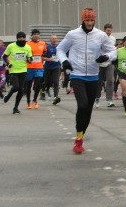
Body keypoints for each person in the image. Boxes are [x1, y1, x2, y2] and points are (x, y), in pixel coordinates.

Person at [56, 8, 117, 154]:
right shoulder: (73, 34)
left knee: (88, 109)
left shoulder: (101, 35)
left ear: (94, 20)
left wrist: (106, 57)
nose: (89, 23)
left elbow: (113, 51)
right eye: (87, 20)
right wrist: (64, 61)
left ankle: (80, 137)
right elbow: (60, 49)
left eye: (91, 20)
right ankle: (78, 136)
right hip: (77, 74)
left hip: (94, 76)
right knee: (82, 105)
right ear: (82, 20)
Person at [2, 32, 32, 114]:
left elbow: (30, 58)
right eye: (20, 38)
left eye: (23, 38)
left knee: (21, 90)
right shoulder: (11, 46)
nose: (22, 39)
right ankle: (8, 96)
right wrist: (8, 63)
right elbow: (4, 56)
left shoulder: (28, 47)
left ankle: (15, 107)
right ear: (17, 38)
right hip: (14, 70)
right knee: (16, 87)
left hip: (23, 70)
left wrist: (29, 60)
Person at [27, 29, 47, 108]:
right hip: (29, 67)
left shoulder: (43, 43)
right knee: (28, 85)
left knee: (38, 83)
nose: (36, 35)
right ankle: (28, 102)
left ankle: (35, 100)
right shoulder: (27, 44)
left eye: (38, 34)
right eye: (35, 34)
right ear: (32, 35)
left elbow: (45, 51)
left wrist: (44, 57)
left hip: (39, 67)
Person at [99, 23, 117, 107]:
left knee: (110, 80)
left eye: (110, 30)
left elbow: (113, 50)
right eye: (107, 30)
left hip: (109, 62)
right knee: (98, 81)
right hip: (99, 63)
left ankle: (109, 100)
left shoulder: (113, 39)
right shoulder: (99, 38)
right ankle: (96, 97)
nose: (109, 32)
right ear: (104, 30)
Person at [43, 34, 62, 104]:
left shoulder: (59, 47)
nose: (55, 40)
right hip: (48, 67)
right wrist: (48, 59)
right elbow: (42, 57)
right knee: (47, 82)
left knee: (55, 82)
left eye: (56, 38)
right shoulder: (47, 47)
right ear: (50, 40)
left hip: (56, 67)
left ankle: (56, 97)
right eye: (53, 38)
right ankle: (45, 90)